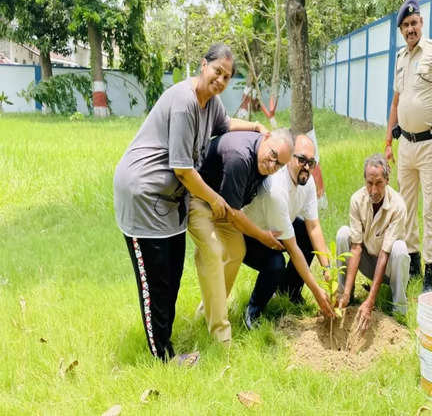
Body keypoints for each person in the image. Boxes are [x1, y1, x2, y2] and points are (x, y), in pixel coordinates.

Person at [113, 43, 267, 361]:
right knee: (155, 281)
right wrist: (215, 200)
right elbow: (183, 169)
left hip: (170, 202)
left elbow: (225, 125)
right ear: (203, 65)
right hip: (143, 194)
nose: (221, 80)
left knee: (171, 274)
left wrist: (255, 126)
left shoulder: (210, 103)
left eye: (227, 76)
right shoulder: (184, 103)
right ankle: (163, 356)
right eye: (217, 71)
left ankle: (165, 339)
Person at [188, 128, 292, 345]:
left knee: (236, 251)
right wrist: (262, 236)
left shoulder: (262, 158)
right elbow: (234, 216)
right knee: (214, 253)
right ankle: (221, 338)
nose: (272, 165)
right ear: (266, 138)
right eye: (272, 155)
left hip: (223, 206)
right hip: (198, 199)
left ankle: (209, 308)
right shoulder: (240, 158)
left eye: (279, 164)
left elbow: (231, 211)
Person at [384, 0, 432, 292]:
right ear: (401, 30)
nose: (410, 29)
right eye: (405, 25)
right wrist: (388, 140)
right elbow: (396, 101)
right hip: (406, 146)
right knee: (406, 207)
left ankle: (431, 273)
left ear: (421, 23)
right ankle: (412, 262)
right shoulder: (401, 58)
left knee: (431, 210)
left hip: (430, 145)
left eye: (414, 23)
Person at [240, 134, 334, 328]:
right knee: (276, 264)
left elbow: (314, 227)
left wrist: (327, 268)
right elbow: (293, 249)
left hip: (278, 230)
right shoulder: (275, 190)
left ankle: (289, 291)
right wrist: (317, 292)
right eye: (302, 160)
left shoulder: (306, 182)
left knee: (307, 236)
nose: (306, 167)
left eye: (311, 162)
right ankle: (253, 311)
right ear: (290, 157)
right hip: (250, 236)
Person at [336, 154, 410, 331]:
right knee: (342, 234)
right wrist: (346, 291)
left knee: (400, 249)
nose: (374, 190)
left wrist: (370, 301)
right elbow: (356, 247)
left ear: (387, 180)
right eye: (370, 183)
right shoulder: (356, 200)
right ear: (365, 181)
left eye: (379, 183)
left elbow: (385, 253)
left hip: (389, 267)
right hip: (367, 261)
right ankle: (345, 296)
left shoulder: (398, 206)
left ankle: (398, 309)